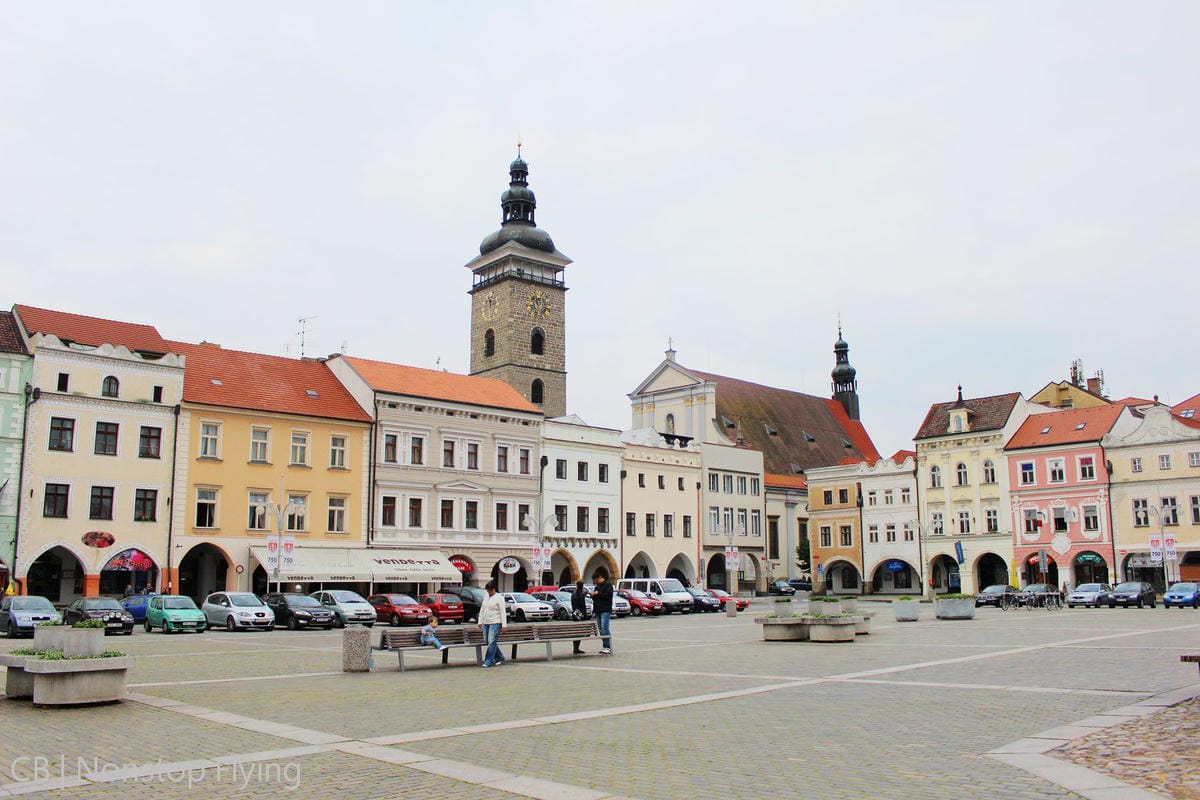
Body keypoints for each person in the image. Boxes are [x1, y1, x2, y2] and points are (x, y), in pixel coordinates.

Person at [478, 580, 507, 667]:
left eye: (490, 590)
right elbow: (482, 609)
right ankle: (500, 657)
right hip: (486, 622)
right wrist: (480, 621)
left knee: (492, 641)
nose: (489, 592)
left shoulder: (499, 598)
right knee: (488, 641)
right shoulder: (486, 596)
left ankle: (488, 661)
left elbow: (503, 612)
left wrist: (504, 625)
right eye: (487, 590)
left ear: (494, 589)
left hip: (495, 622)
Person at [589, 570, 613, 655]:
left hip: (605, 609)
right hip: (598, 610)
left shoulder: (608, 585)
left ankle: (608, 647)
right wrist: (593, 596)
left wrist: (598, 593)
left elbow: (608, 595)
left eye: (595, 581)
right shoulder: (597, 587)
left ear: (599, 578)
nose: (595, 583)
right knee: (600, 629)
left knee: (604, 628)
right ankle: (605, 646)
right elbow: (596, 598)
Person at [571, 580, 588, 654]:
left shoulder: (573, 594)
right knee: (579, 632)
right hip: (580, 615)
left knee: (576, 632)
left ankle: (575, 648)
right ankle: (576, 648)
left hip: (575, 614)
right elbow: (583, 606)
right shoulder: (581, 594)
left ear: (577, 586)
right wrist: (584, 616)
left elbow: (574, 606)